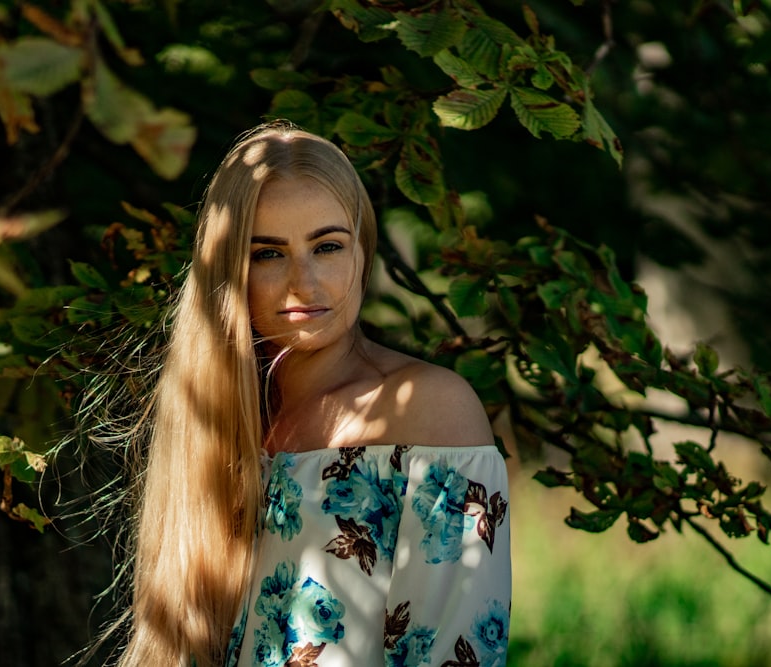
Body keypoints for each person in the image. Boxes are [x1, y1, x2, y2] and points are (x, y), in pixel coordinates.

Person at [111, 121, 511, 667]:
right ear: (230, 271)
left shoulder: (430, 410)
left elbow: (453, 656)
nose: (304, 281)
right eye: (269, 254)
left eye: (327, 246)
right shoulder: (215, 424)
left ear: (363, 254)